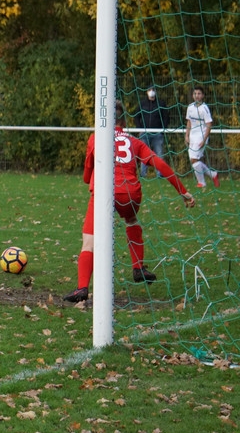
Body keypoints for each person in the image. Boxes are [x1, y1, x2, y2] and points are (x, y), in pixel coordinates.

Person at [64, 101, 195, 304]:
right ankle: (138, 267)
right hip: (130, 192)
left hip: (103, 192)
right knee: (131, 219)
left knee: (89, 242)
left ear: (102, 121)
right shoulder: (135, 141)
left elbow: (85, 176)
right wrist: (183, 191)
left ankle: (82, 288)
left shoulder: (95, 138)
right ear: (123, 121)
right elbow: (159, 163)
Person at [184, 85, 219, 189]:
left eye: (199, 93)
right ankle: (212, 174)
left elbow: (209, 124)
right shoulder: (190, 107)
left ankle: (202, 182)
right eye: (195, 94)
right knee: (193, 160)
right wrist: (186, 135)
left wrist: (204, 139)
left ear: (203, 95)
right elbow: (189, 122)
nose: (197, 95)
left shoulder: (205, 108)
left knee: (194, 159)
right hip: (192, 136)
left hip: (201, 136)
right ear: (192, 95)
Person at [136, 86, 167, 178]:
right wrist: (140, 129)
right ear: (146, 92)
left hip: (157, 133)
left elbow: (165, 117)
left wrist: (162, 130)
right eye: (149, 90)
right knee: (144, 154)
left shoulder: (161, 103)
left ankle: (160, 174)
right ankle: (143, 173)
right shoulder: (142, 104)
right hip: (144, 133)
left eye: (153, 90)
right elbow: (137, 117)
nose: (151, 92)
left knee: (159, 153)